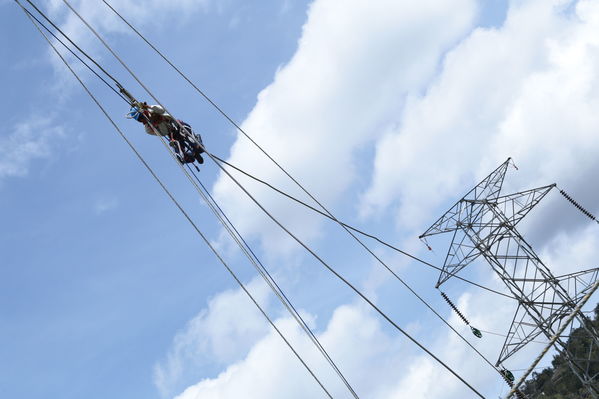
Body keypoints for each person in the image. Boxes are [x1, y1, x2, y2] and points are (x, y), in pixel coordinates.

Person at [129, 103, 204, 165]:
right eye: (139, 119)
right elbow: (163, 133)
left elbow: (161, 110)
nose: (142, 119)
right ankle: (192, 154)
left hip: (178, 126)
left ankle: (196, 145)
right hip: (173, 136)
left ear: (143, 111)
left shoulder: (152, 109)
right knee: (182, 157)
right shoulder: (148, 129)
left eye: (141, 116)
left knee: (197, 146)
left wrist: (148, 107)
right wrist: (158, 123)